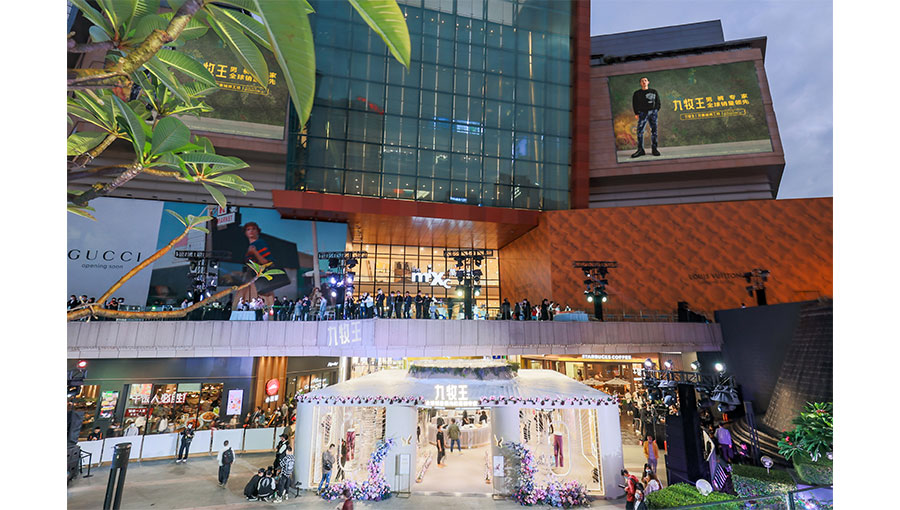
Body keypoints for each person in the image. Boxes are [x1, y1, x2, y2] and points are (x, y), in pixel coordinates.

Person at [631, 76, 662, 158]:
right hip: (642, 113)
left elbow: (658, 102)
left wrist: (655, 110)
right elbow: (634, 104)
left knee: (654, 131)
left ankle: (654, 149)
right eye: (642, 81)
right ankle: (640, 150)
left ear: (648, 82)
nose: (644, 82)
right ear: (640, 83)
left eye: (645, 80)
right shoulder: (637, 93)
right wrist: (636, 113)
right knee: (640, 131)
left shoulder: (654, 92)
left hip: (653, 113)